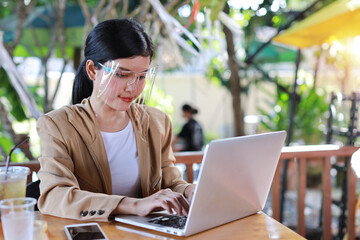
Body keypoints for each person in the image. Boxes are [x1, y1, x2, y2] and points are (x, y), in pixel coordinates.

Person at [36, 18, 195, 222]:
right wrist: (133, 205)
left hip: (145, 234)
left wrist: (190, 190)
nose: (133, 87)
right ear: (92, 70)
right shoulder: (58, 125)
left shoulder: (157, 122)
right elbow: (53, 195)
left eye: (141, 76)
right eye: (122, 74)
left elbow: (171, 184)